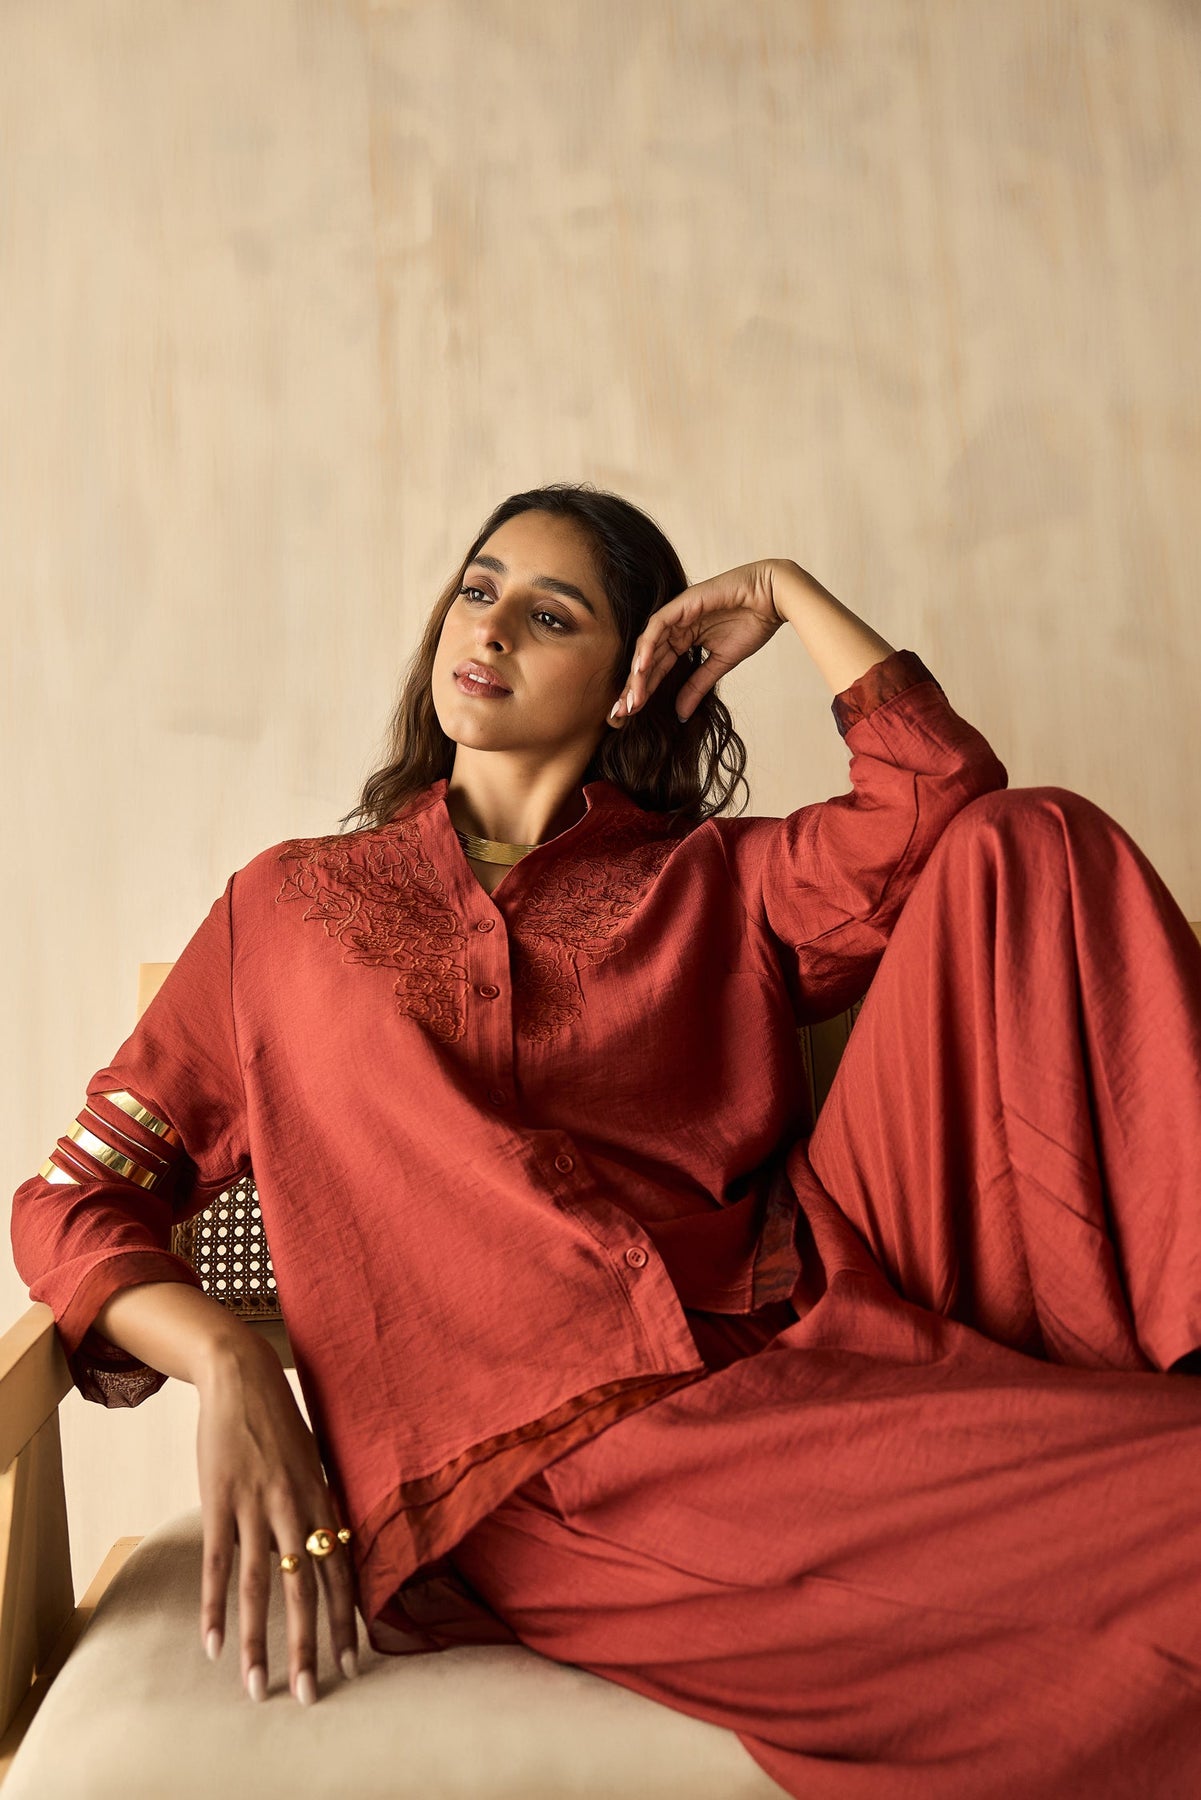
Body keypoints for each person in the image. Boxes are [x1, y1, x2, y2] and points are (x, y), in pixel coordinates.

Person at [10, 482, 1201, 1797]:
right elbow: (73, 1201)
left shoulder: (714, 881)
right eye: (478, 590)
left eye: (551, 614)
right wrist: (232, 1360)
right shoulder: (286, 910)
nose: (490, 626)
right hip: (547, 1465)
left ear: (635, 677)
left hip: (797, 1355)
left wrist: (786, 592)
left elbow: (940, 796)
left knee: (1030, 840)